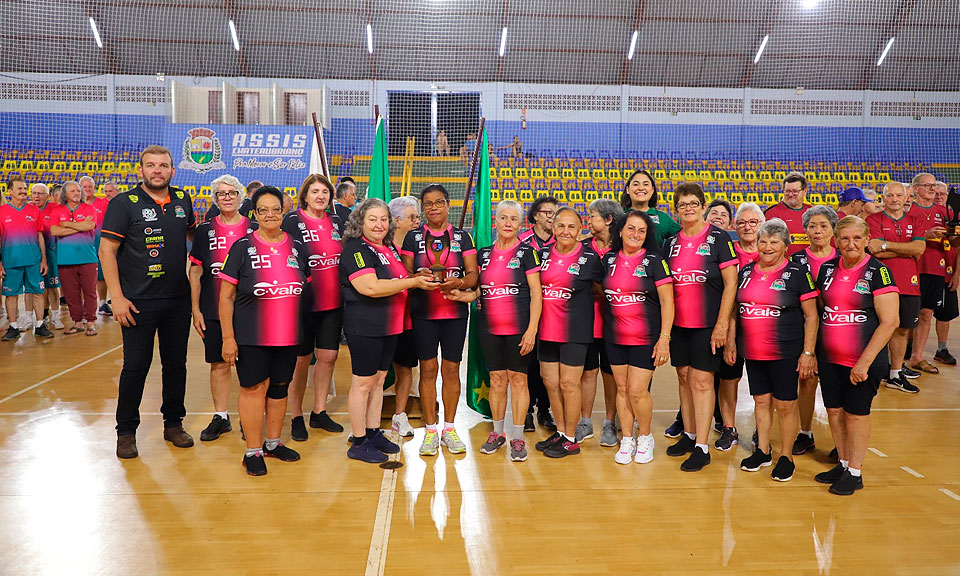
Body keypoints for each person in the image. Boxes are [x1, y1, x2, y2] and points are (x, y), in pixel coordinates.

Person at [100, 145, 196, 459]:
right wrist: (117, 297)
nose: (157, 170)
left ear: (172, 170)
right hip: (138, 302)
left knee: (176, 365)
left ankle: (174, 424)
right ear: (141, 170)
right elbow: (106, 251)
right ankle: (126, 432)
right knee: (135, 367)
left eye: (163, 165)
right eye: (151, 165)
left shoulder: (182, 200)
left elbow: (194, 237)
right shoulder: (123, 203)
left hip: (177, 300)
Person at [219, 186, 308, 476]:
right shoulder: (241, 248)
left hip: (288, 335)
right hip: (252, 336)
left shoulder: (297, 246)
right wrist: (228, 338)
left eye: (275, 209)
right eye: (263, 210)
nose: (270, 215)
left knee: (280, 388)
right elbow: (225, 297)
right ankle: (253, 450)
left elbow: (302, 286)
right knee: (253, 389)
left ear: (284, 212)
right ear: (254, 214)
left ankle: (272, 443)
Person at [340, 198, 436, 463]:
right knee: (363, 383)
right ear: (360, 222)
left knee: (379, 380)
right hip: (365, 325)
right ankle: (359, 441)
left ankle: (372, 432)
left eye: (383, 219)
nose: (379, 224)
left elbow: (398, 278)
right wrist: (413, 283)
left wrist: (417, 276)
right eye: (372, 219)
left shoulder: (388, 247)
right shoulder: (356, 250)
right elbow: (369, 287)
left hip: (389, 324)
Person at [447, 200, 542, 461]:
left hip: (519, 328)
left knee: (518, 380)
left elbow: (536, 293)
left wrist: (532, 330)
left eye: (513, 219)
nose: (508, 223)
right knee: (497, 380)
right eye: (503, 218)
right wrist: (461, 296)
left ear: (520, 224)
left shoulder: (528, 253)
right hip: (490, 329)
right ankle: (498, 433)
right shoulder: (484, 254)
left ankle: (518, 438)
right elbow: (481, 291)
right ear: (496, 221)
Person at [814, 216, 899, 495]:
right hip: (830, 358)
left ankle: (855, 471)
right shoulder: (827, 269)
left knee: (856, 414)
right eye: (845, 239)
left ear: (866, 240)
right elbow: (822, 310)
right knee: (834, 411)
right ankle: (842, 462)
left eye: (857, 238)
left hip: (862, 361)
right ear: (836, 241)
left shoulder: (878, 272)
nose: (851, 244)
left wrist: (864, 362)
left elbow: (890, 322)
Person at [731, 219, 819, 482]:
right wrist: (732, 342)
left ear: (785, 246)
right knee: (760, 401)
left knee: (785, 404)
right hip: (753, 351)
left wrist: (808, 353)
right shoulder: (746, 272)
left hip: (786, 351)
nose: (767, 247)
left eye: (774, 242)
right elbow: (736, 310)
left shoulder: (797, 273)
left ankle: (786, 457)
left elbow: (812, 316)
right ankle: (763, 451)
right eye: (763, 241)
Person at [663, 183, 738, 472]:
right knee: (684, 378)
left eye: (693, 203)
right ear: (676, 210)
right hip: (680, 325)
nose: (688, 209)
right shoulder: (671, 243)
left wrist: (722, 324)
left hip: (708, 324)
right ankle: (690, 434)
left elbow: (731, 283)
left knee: (702, 382)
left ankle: (702, 447)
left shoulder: (719, 238)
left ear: (703, 207)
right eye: (683, 205)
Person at [401, 184, 479, 456]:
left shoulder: (463, 237)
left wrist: (460, 283)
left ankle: (450, 429)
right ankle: (431, 431)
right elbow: (405, 275)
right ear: (423, 208)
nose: (433, 207)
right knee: (428, 369)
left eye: (438, 202)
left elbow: (473, 275)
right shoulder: (413, 238)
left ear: (448, 204)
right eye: (428, 203)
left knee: (451, 370)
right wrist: (418, 279)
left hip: (455, 312)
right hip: (423, 312)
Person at [601, 210, 674, 464]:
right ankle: (627, 439)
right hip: (614, 336)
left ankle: (645, 437)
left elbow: (667, 302)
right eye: (631, 228)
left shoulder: (655, 261)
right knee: (621, 388)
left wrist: (664, 338)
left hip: (645, 337)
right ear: (620, 231)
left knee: (637, 390)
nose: (635, 234)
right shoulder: (609, 259)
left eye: (642, 231)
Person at [189, 175, 255, 442]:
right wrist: (196, 309)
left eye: (231, 193)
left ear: (240, 196)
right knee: (218, 363)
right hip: (213, 307)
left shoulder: (253, 228)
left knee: (250, 365)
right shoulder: (205, 230)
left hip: (249, 309)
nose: (227, 197)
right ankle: (221, 416)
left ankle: (249, 417)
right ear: (215, 199)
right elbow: (196, 271)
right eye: (221, 194)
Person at [535, 207, 604, 458]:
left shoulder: (590, 258)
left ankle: (571, 439)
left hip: (575, 330)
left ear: (580, 230)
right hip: (546, 329)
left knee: (568, 383)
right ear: (553, 228)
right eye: (561, 226)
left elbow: (602, 289)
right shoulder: (542, 255)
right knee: (551, 383)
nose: (566, 231)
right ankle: (561, 432)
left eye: (571, 226)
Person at [282, 174, 345, 440]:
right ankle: (296, 415)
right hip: (303, 303)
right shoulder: (292, 221)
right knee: (301, 361)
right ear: (305, 195)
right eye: (315, 191)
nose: (320, 196)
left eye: (325, 192)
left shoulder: (337, 221)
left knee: (328, 357)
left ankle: (319, 411)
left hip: (333, 302)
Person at [710, 202, 767, 452]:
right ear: (734, 225)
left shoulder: (771, 251)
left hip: (762, 329)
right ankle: (728, 427)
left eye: (753, 222)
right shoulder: (727, 251)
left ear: (762, 224)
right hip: (731, 324)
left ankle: (761, 430)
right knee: (729, 378)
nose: (747, 227)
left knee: (762, 384)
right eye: (742, 222)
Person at [865, 181, 925, 394]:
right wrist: (907, 250)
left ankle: (895, 374)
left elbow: (919, 248)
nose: (895, 199)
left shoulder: (915, 219)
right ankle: (875, 369)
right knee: (877, 327)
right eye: (890, 195)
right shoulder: (873, 220)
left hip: (909, 282)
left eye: (899, 195)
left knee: (902, 329)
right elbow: (874, 251)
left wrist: (886, 245)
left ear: (906, 198)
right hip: (880, 282)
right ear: (883, 198)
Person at [789, 205, 839, 455]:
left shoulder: (844, 258)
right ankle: (805, 432)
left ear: (833, 230)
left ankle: (841, 441)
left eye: (823, 226)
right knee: (806, 380)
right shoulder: (796, 260)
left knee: (836, 384)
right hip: (804, 327)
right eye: (812, 226)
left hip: (837, 329)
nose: (817, 231)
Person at [577, 198, 622, 446]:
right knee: (587, 372)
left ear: (608, 219)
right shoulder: (583, 247)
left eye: (592, 216)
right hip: (586, 319)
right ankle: (585, 422)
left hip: (615, 321)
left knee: (610, 374)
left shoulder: (623, 246)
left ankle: (610, 422)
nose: (588, 220)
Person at [906, 173, 957, 375]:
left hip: (936, 268)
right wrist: (924, 236)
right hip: (912, 267)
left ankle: (917, 357)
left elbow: (953, 242)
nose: (932, 189)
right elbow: (901, 237)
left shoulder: (944, 212)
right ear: (915, 188)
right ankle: (895, 358)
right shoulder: (908, 209)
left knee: (927, 313)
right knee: (905, 314)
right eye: (927, 185)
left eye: (934, 185)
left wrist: (957, 235)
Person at [519, 196, 558, 432]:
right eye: (547, 212)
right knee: (528, 363)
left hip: (553, 311)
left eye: (555, 213)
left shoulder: (561, 241)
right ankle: (526, 411)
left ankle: (545, 409)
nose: (552, 217)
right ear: (535, 215)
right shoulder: (522, 241)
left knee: (548, 363)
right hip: (527, 308)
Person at [0, 176, 54, 341]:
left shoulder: (34, 211)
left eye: (25, 188)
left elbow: (40, 236)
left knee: (38, 293)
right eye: (20, 188)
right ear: (10, 191)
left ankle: (40, 325)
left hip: (33, 261)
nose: (24, 191)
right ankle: (13, 327)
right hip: (10, 262)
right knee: (11, 296)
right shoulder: (2, 212)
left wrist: (43, 259)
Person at [387, 195, 421, 437]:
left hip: (410, 318)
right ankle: (366, 422)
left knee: (405, 368)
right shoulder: (382, 247)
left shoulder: (418, 248)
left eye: (418, 217)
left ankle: (400, 416)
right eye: (412, 217)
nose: (417, 221)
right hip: (384, 319)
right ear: (396, 220)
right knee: (375, 373)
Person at [50, 181, 98, 335]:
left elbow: (89, 226)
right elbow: (54, 231)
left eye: (78, 190)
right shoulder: (57, 210)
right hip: (65, 260)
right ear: (65, 193)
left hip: (88, 258)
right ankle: (77, 322)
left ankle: (90, 322)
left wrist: (66, 224)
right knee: (71, 293)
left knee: (90, 292)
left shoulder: (89, 208)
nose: (77, 193)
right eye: (73, 191)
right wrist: (79, 225)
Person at [933, 182, 959, 365]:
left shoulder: (953, 216)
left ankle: (942, 349)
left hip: (948, 272)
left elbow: (958, 247)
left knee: (945, 313)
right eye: (936, 193)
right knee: (921, 312)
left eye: (943, 194)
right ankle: (910, 347)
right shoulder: (924, 214)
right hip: (926, 271)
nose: (940, 196)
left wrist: (957, 274)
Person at [619, 169, 680, 245]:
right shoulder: (620, 217)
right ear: (628, 190)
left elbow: (684, 237)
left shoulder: (663, 218)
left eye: (646, 184)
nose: (641, 188)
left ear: (652, 190)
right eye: (636, 184)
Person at [32, 183, 63, 330]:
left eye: (40, 193)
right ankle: (42, 315)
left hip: (51, 253)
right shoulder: (29, 209)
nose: (37, 196)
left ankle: (55, 316)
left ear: (47, 196)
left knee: (52, 286)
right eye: (34, 193)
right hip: (33, 254)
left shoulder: (55, 209)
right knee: (39, 288)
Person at [765, 172, 813, 257]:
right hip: (783, 263)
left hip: (810, 262)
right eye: (787, 191)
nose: (790, 194)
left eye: (795, 191)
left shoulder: (813, 212)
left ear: (805, 191)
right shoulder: (772, 213)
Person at [95, 181, 122, 314]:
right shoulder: (100, 204)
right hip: (106, 245)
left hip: (122, 245)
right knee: (101, 275)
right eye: (106, 191)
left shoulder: (123, 204)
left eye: (110, 191)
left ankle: (121, 298)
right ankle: (102, 303)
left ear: (117, 191)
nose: (108, 194)